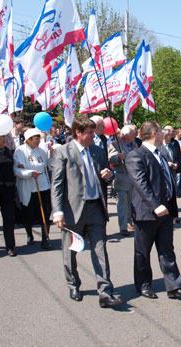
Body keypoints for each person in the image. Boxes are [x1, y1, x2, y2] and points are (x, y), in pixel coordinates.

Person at [51, 117, 121, 307]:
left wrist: (109, 176)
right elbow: (56, 184)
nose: (93, 136)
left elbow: (106, 175)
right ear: (78, 133)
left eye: (93, 131)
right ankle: (73, 283)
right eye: (89, 133)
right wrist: (57, 211)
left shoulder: (98, 151)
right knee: (71, 251)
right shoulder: (63, 152)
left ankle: (105, 290)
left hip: (96, 208)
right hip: (72, 210)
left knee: (100, 249)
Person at [125, 121, 181, 299]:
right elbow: (141, 184)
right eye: (163, 132)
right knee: (143, 252)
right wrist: (155, 205)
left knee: (167, 250)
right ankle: (144, 284)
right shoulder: (136, 155)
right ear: (154, 133)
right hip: (147, 213)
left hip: (166, 211)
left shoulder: (160, 154)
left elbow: (166, 182)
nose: (166, 135)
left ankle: (173, 286)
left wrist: (171, 207)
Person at [13, 128, 53, 249]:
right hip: (30, 187)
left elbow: (48, 165)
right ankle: (29, 234)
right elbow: (16, 170)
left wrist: (52, 155)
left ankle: (45, 238)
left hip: (43, 186)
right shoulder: (20, 151)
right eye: (36, 139)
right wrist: (29, 173)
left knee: (45, 213)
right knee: (28, 214)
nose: (38, 141)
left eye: (39, 139)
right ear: (29, 140)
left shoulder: (41, 150)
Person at [108, 125, 137, 236]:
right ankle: (123, 226)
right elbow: (110, 159)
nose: (135, 135)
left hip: (132, 177)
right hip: (121, 177)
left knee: (131, 202)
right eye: (133, 133)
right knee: (122, 203)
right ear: (125, 135)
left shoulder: (134, 144)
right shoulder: (115, 144)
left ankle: (129, 221)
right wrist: (118, 157)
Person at [159, 128, 180, 224]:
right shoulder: (159, 147)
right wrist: (168, 163)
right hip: (164, 174)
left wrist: (176, 164)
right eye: (168, 135)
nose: (170, 136)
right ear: (164, 136)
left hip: (172, 173)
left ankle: (174, 216)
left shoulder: (171, 146)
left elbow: (175, 157)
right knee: (166, 195)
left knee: (173, 194)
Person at [164, 126, 181, 198]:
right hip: (164, 172)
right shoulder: (159, 145)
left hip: (174, 169)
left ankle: (177, 192)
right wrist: (167, 164)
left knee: (176, 183)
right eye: (172, 131)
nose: (174, 133)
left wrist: (180, 166)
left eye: (174, 131)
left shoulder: (174, 143)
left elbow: (178, 156)